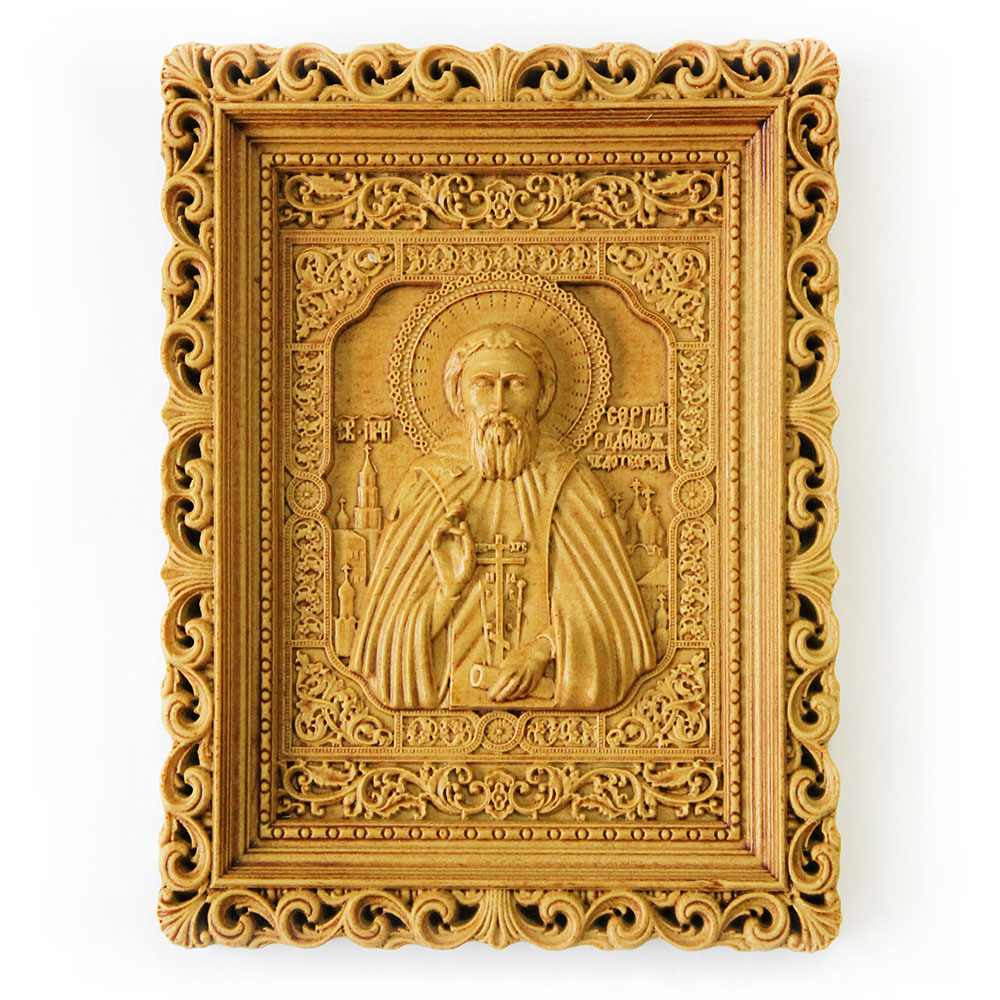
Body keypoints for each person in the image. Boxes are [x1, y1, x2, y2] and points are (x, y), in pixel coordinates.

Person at [350, 323, 654, 709]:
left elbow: (610, 619)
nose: (498, 404)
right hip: (442, 723)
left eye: (515, 385)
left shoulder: (569, 483)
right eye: (483, 385)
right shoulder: (427, 484)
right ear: (459, 398)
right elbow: (385, 644)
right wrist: (447, 592)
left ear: (541, 398)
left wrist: (542, 651)